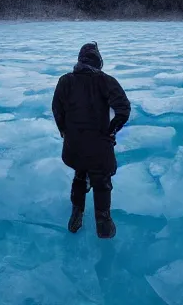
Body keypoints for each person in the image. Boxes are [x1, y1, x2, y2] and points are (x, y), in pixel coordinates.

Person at [51, 42, 131, 238]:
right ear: (98, 61)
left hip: (74, 145)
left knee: (80, 174)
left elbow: (57, 109)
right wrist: (112, 129)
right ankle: (103, 222)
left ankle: (76, 213)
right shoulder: (106, 81)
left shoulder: (65, 81)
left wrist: (64, 130)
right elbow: (123, 108)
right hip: (99, 145)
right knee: (102, 181)